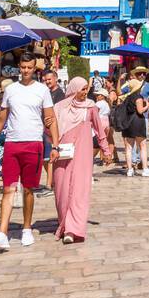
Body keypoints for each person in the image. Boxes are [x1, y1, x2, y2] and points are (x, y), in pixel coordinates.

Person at [0, 56, 59, 250]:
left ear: (35, 69)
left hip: (33, 144)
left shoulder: (42, 90)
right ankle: (2, 232)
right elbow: (1, 119)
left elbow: (51, 118)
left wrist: (56, 146)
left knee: (28, 189)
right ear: (19, 68)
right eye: (23, 67)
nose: (26, 70)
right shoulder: (11, 90)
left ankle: (27, 228)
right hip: (12, 143)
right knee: (8, 188)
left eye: (29, 67)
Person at [52, 76, 106, 244]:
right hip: (63, 153)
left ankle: (73, 229)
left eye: (86, 89)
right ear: (74, 89)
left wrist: (106, 149)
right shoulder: (59, 107)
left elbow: (99, 129)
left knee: (79, 190)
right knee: (61, 190)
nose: (85, 92)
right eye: (82, 89)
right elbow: (49, 129)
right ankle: (64, 223)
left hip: (82, 153)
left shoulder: (90, 107)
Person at [115, 77, 149, 177]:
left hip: (128, 123)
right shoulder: (138, 97)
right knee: (142, 146)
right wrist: (147, 105)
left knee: (128, 148)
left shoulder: (127, 97)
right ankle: (145, 169)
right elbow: (140, 111)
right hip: (138, 122)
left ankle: (130, 170)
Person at [41, 69, 66, 191]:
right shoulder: (46, 92)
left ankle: (49, 183)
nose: (47, 82)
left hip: (53, 129)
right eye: (45, 80)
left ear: (55, 79)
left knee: (50, 157)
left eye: (49, 79)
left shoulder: (59, 94)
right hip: (44, 129)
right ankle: (53, 180)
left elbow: (59, 112)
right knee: (45, 158)